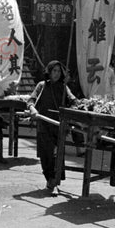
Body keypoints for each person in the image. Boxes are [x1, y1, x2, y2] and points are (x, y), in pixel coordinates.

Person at [27, 60, 79, 194]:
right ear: (49, 72)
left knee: (58, 155)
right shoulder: (42, 85)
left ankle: (54, 181)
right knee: (46, 154)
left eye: (58, 71)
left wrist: (71, 111)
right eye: (54, 71)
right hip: (43, 124)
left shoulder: (64, 87)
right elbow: (31, 100)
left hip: (59, 126)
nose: (56, 74)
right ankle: (50, 180)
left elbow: (74, 101)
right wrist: (32, 109)